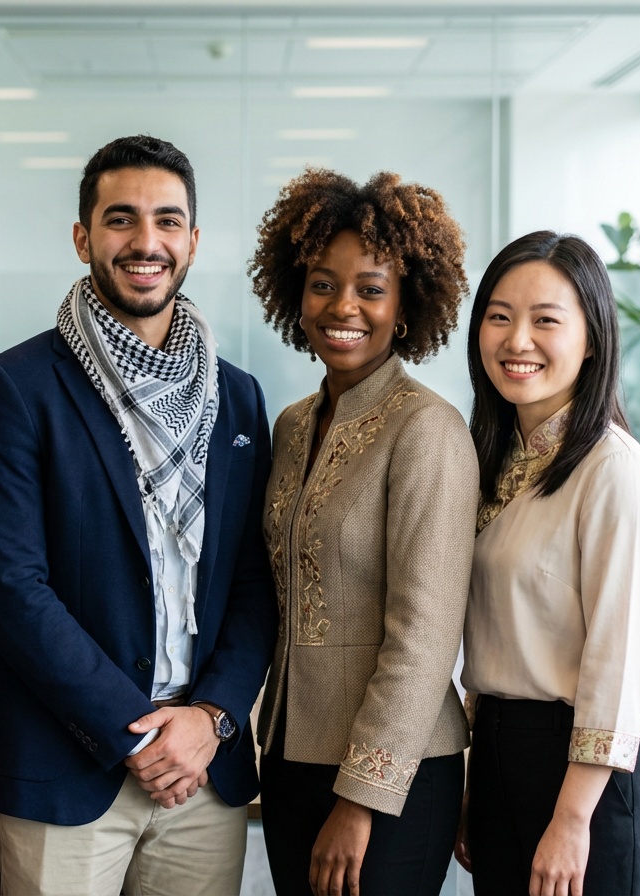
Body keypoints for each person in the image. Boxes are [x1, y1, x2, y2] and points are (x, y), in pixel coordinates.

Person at [0, 134, 277, 896]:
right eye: (121, 219)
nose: (146, 242)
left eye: (168, 221)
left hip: (202, 769)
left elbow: (255, 583)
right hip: (67, 771)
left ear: (193, 242)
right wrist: (133, 732)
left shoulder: (238, 396)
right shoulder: (14, 387)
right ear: (83, 237)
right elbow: (10, 588)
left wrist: (211, 719)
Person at [248, 168, 477, 896]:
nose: (343, 305)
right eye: (322, 283)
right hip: (288, 758)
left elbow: (426, 635)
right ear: (296, 293)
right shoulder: (291, 425)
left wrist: (361, 798)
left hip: (390, 779)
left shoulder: (427, 429)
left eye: (371, 288)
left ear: (406, 303)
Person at [456, 230, 640, 895]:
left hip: (583, 773)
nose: (518, 340)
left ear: (593, 337)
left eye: (546, 320)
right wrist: (474, 777)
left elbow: (619, 661)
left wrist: (572, 818)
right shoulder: (491, 462)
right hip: (496, 750)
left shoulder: (612, 469)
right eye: (499, 316)